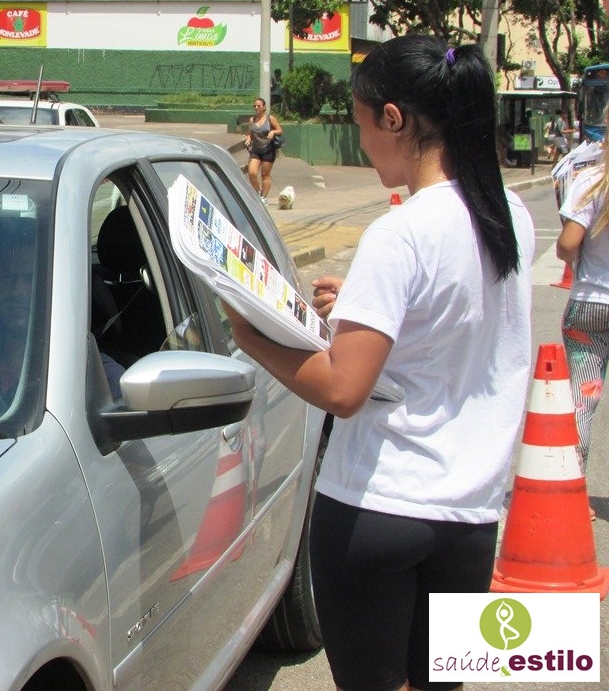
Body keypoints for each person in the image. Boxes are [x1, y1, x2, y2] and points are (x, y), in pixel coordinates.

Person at [224, 36, 535, 691]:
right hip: (471, 516)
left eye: (361, 123)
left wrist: (250, 334)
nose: (362, 143)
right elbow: (455, 322)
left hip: (379, 506)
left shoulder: (400, 233)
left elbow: (344, 389)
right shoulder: (507, 215)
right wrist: (363, 306)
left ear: (394, 119)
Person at [0, 232, 124, 400]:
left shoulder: (96, 377)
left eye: (31, 279)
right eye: (7, 278)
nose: (17, 291)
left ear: (54, 288)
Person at [556, 126, 609, 481]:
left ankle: (573, 491)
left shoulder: (591, 181)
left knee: (582, 402)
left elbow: (567, 245)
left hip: (591, 303)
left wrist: (570, 256)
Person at [244, 97, 283, 207]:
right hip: (256, 151)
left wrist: (273, 132)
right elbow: (249, 134)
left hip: (268, 150)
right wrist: (248, 140)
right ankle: (258, 193)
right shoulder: (252, 120)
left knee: (265, 175)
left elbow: (280, 130)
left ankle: (264, 197)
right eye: (254, 106)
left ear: (264, 107)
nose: (256, 107)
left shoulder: (270, 119)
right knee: (252, 173)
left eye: (259, 106)